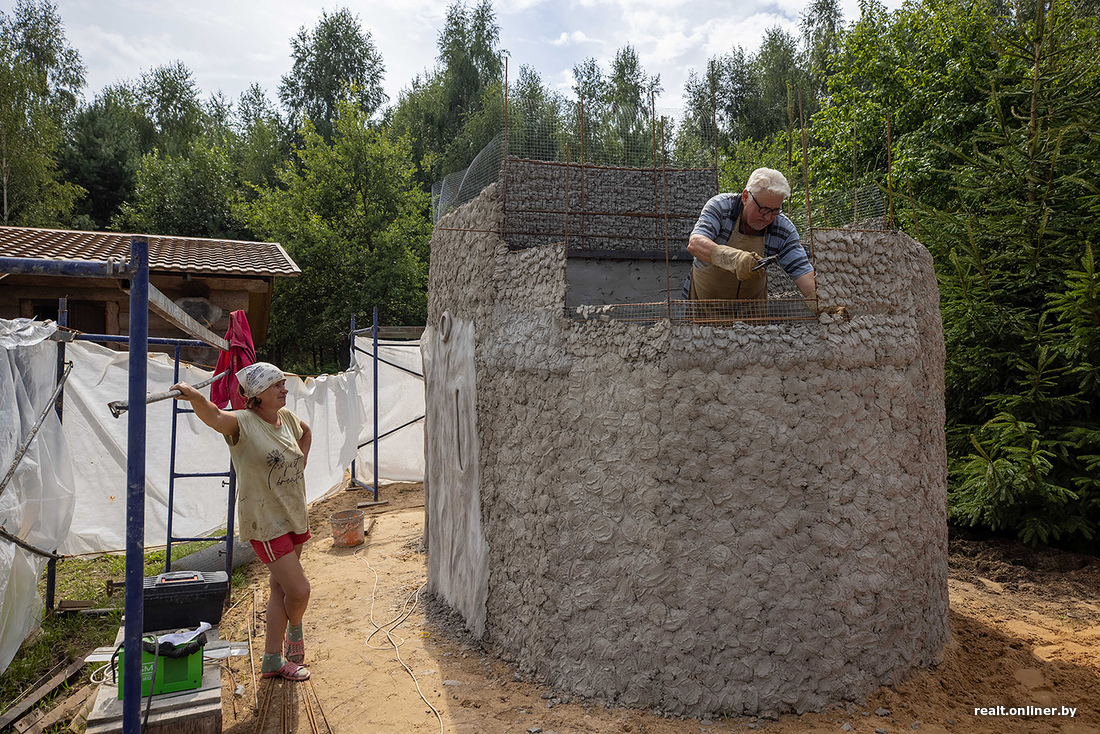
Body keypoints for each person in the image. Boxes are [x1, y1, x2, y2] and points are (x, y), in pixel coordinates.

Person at [172, 362, 313, 682]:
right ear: (258, 395)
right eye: (277, 385)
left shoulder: (288, 419)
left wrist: (300, 465)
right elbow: (215, 417)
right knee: (299, 590)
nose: (284, 389)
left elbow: (306, 432)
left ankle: (272, 660)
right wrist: (195, 396)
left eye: (283, 383)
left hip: (293, 514)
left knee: (281, 588)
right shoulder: (243, 423)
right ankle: (294, 633)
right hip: (265, 523)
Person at [684, 167, 816, 307]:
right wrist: (735, 259)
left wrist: (823, 301)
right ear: (745, 197)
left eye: (775, 211)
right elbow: (695, 244)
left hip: (750, 312)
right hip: (704, 304)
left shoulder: (783, 229)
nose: (767, 218)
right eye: (763, 209)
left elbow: (802, 272)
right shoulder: (721, 207)